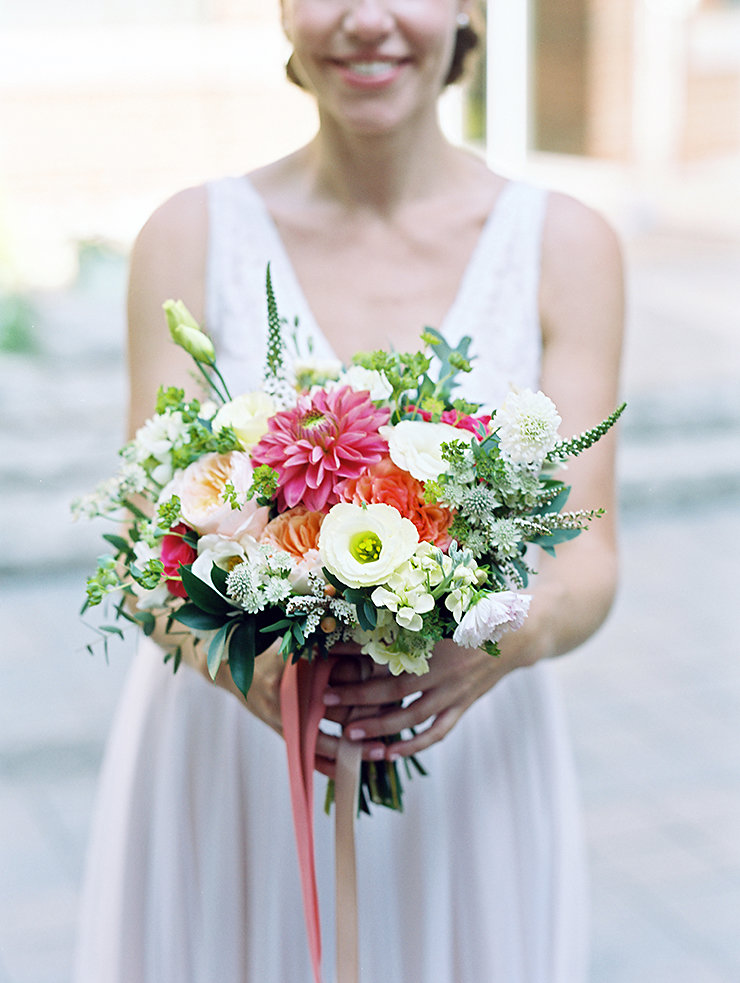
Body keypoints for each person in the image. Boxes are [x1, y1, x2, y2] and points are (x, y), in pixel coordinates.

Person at [74, 1, 624, 981]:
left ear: (465, 6)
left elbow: (587, 559)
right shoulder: (188, 235)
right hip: (232, 761)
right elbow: (139, 546)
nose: (365, 21)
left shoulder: (567, 243)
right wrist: (241, 664)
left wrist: (495, 642)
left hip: (460, 755)